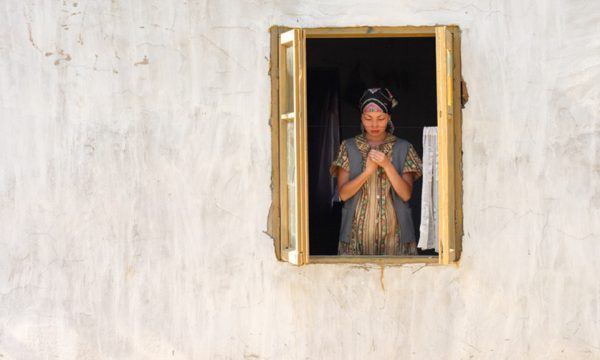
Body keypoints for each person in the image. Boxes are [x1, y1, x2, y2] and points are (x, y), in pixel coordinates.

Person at [330, 88, 423, 256]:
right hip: (355, 236)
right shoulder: (348, 147)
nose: (374, 124)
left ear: (388, 118)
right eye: (368, 118)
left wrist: (387, 165)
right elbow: (343, 195)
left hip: (396, 235)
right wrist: (368, 172)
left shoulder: (403, 148)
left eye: (380, 119)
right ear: (361, 118)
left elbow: (406, 194)